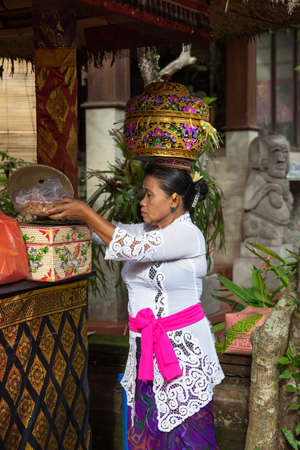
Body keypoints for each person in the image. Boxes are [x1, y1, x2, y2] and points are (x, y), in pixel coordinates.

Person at [47, 163, 224, 449]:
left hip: (181, 354)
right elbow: (111, 234)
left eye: (149, 195)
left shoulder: (187, 234)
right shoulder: (147, 231)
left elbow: (129, 247)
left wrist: (87, 212)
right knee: (150, 432)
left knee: (186, 438)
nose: (142, 202)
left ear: (174, 200)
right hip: (146, 351)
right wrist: (67, 211)